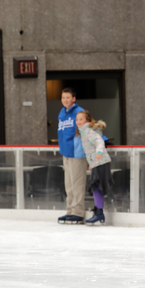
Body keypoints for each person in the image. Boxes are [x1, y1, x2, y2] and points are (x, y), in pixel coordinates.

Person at [76, 110, 113, 225]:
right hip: (96, 162)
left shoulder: (87, 130)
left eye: (81, 119)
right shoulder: (84, 131)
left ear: (87, 120)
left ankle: (99, 212)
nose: (78, 122)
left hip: (100, 161)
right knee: (96, 187)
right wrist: (91, 164)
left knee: (97, 186)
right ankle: (98, 211)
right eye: (77, 119)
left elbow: (99, 141)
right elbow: (89, 149)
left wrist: (99, 153)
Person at [57, 88, 88, 224]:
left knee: (77, 184)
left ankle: (78, 212)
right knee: (68, 185)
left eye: (68, 97)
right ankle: (70, 211)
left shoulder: (79, 112)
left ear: (74, 99)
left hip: (77, 153)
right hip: (66, 152)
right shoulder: (62, 112)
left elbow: (90, 127)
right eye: (63, 97)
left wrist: (102, 140)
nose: (65, 100)